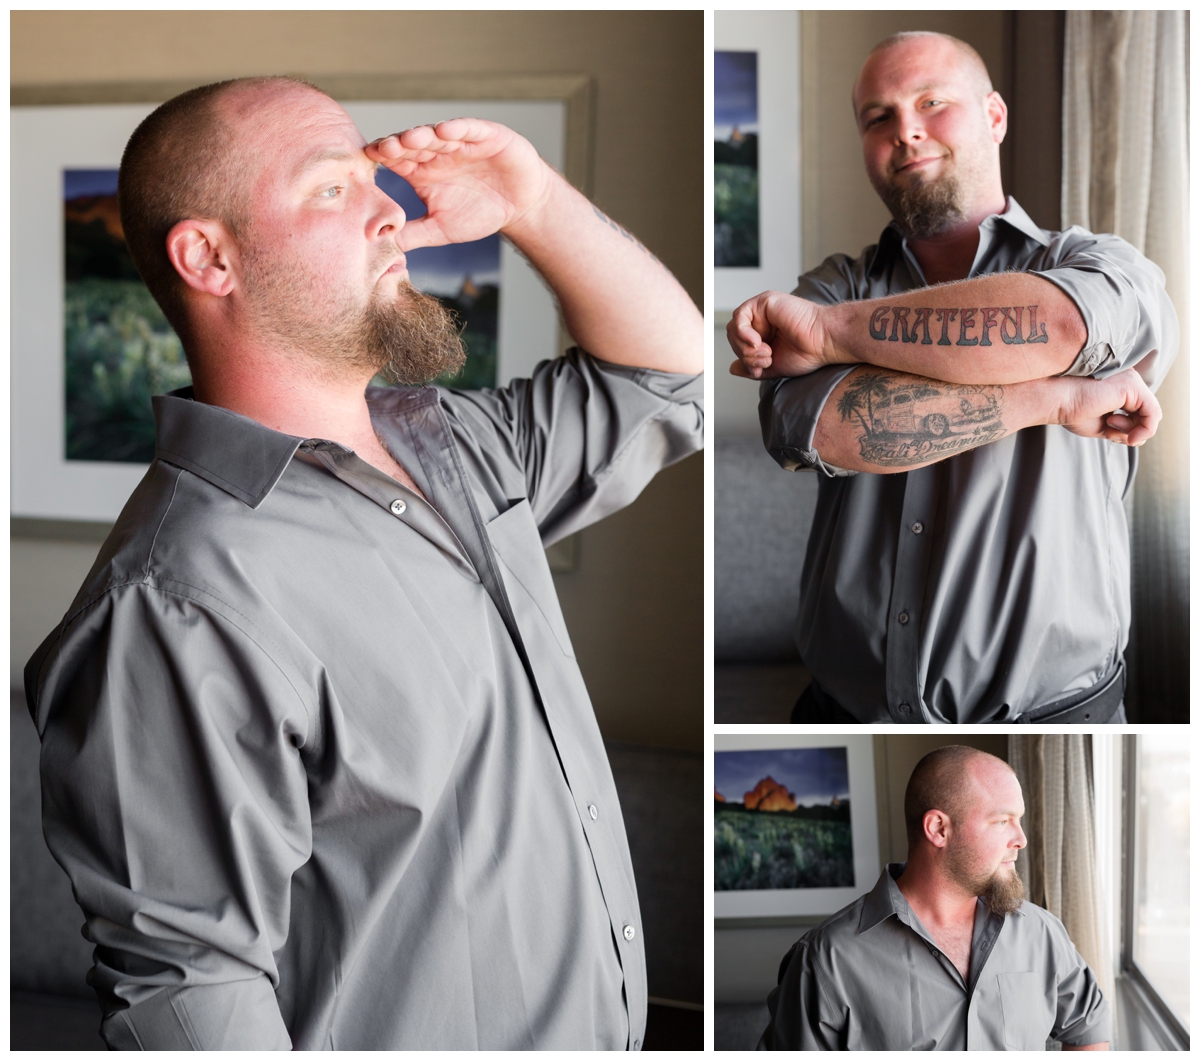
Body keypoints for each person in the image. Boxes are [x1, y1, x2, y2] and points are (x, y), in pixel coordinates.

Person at [25, 76, 703, 1050]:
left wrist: (536, 202)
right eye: (336, 189)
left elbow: (666, 378)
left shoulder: (459, 446)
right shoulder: (172, 602)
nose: (395, 211)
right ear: (209, 256)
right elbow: (193, 994)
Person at [727, 31, 1176, 724]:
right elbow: (825, 430)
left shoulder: (1101, 265)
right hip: (839, 712)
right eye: (877, 118)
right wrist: (1054, 399)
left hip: (1055, 718)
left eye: (932, 102)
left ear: (994, 116)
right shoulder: (833, 283)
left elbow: (1060, 327)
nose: (905, 130)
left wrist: (831, 335)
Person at [759, 745, 1111, 1050]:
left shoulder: (1041, 932)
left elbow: (1089, 1030)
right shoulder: (825, 959)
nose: (1021, 839)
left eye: (1018, 820)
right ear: (939, 829)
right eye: (1003, 821)